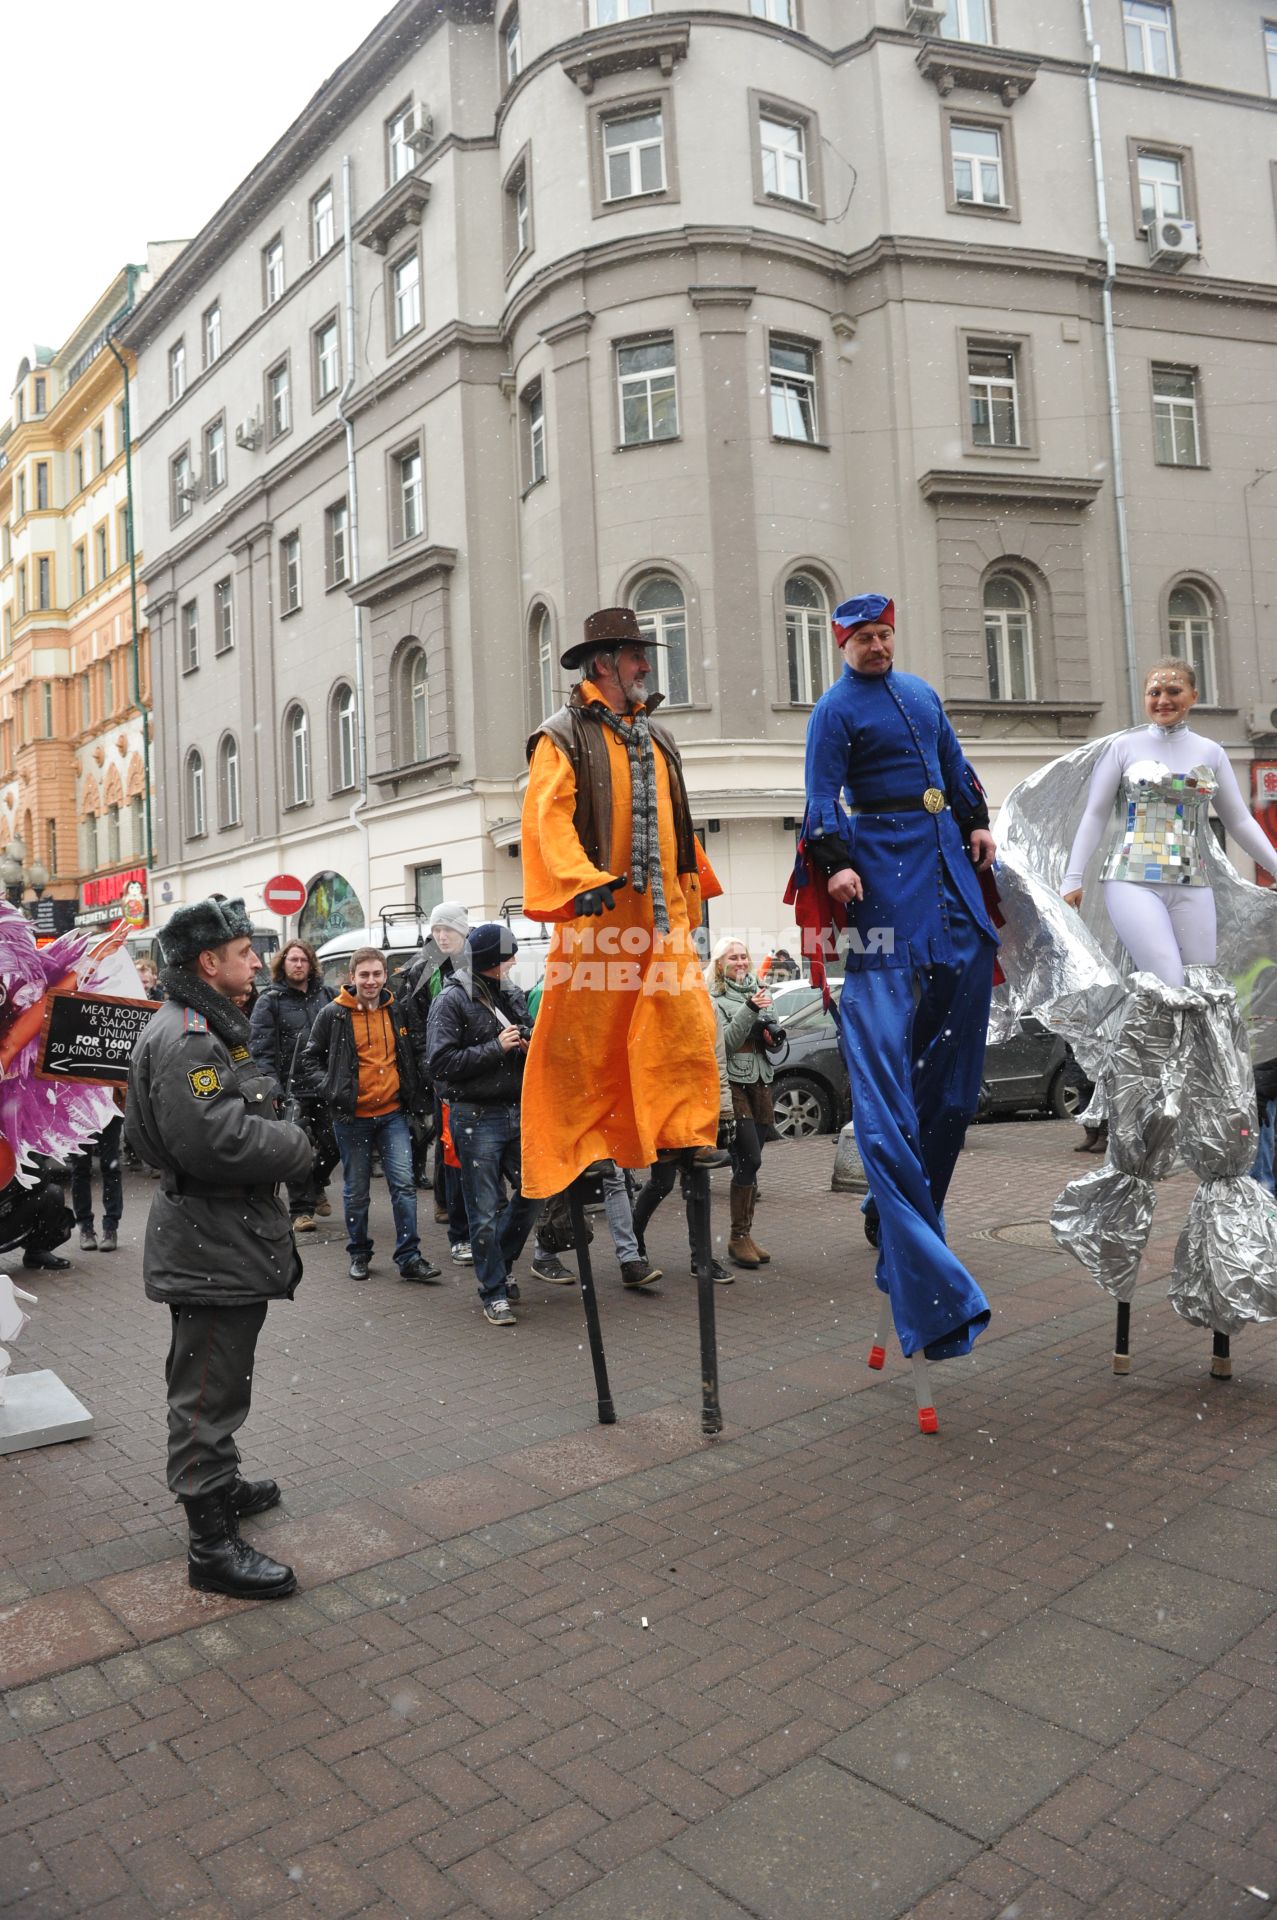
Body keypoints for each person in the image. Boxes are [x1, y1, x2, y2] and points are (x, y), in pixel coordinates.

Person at [792, 591, 998, 1372]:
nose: (876, 647)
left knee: (951, 1088)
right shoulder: (832, 712)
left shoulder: (918, 692)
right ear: (842, 646)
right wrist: (837, 862)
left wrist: (975, 817)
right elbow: (819, 797)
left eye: (883, 635)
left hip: (946, 853)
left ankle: (907, 1207)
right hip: (882, 867)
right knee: (900, 1071)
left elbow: (952, 762)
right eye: (863, 640)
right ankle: (904, 1217)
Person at [124, 896, 313, 1600]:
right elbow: (216, 1140)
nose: (258, 961)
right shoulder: (191, 1037)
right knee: (206, 1393)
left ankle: (222, 1490)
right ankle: (210, 1546)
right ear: (210, 963)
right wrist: (295, 1144)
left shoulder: (200, 1026)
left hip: (217, 1235)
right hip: (210, 1240)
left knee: (219, 1381)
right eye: (245, 952)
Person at [519, 607, 720, 1200]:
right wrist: (579, 878)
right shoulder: (561, 734)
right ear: (603, 663)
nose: (646, 665)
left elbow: (677, 821)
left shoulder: (659, 735)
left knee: (682, 1021)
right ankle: (576, 1150)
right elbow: (547, 817)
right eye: (637, 656)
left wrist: (691, 885)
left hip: (663, 920)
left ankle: (683, 1128)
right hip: (599, 915)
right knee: (585, 1036)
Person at [1061, 658, 1277, 982]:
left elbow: (1240, 822)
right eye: (1154, 692)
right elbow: (1095, 813)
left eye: (1174, 690)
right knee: (1168, 979)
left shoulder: (1211, 753)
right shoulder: (1123, 747)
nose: (1163, 700)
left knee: (1201, 983)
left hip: (1192, 881)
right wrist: (1072, 876)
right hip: (1131, 878)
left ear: (1193, 696)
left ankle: (1186, 1036)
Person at [303, 948, 441, 1285]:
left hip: (393, 1114)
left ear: (385, 975)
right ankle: (359, 1254)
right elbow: (310, 1060)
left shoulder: (397, 1010)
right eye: (364, 975)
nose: (371, 981)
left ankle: (410, 1258)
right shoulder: (332, 1015)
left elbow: (412, 1051)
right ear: (351, 977)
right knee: (356, 1191)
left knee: (404, 1187)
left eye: (377, 974)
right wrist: (333, 1089)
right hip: (352, 1119)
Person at [426, 922, 540, 1325]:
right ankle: (493, 1290)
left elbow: (524, 1033)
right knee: (484, 1210)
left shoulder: (509, 992)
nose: (514, 962)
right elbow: (440, 1065)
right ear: (491, 958)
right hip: (474, 1115)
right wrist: (496, 1048)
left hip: (515, 1110)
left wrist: (524, 1040)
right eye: (508, 955)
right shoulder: (451, 1000)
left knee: (534, 1191)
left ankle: (499, 1262)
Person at [398, 901, 471, 1260]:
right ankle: (446, 1203)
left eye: (449, 930)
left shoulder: (474, 960)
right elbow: (413, 1022)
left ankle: (454, 1202)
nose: (442, 936)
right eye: (437, 930)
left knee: (452, 1139)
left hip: (466, 1064)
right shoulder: (421, 967)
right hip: (435, 1063)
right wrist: (430, 1066)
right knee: (444, 1138)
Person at [250, 939, 338, 1232]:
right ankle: (301, 1210)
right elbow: (261, 1049)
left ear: (311, 964)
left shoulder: (326, 995)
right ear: (283, 964)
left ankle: (316, 1183)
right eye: (293, 960)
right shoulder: (269, 1001)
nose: (298, 965)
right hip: (291, 1088)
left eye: (303, 960)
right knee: (297, 1148)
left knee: (334, 1144)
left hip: (325, 1084)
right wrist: (272, 1086)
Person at [707, 937, 777, 1270]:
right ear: (719, 964)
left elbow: (772, 1043)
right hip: (734, 1082)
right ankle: (736, 1238)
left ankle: (745, 1235)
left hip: (761, 1080)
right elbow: (729, 1043)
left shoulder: (761, 990)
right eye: (732, 957)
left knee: (752, 1161)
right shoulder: (715, 999)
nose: (740, 961)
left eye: (743, 956)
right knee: (749, 1156)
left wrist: (772, 1035)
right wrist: (750, 1011)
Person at [68, 1109, 124, 1252]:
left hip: (109, 1102)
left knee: (110, 1165)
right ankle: (85, 1228)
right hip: (77, 1104)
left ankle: (110, 1227)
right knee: (80, 1168)